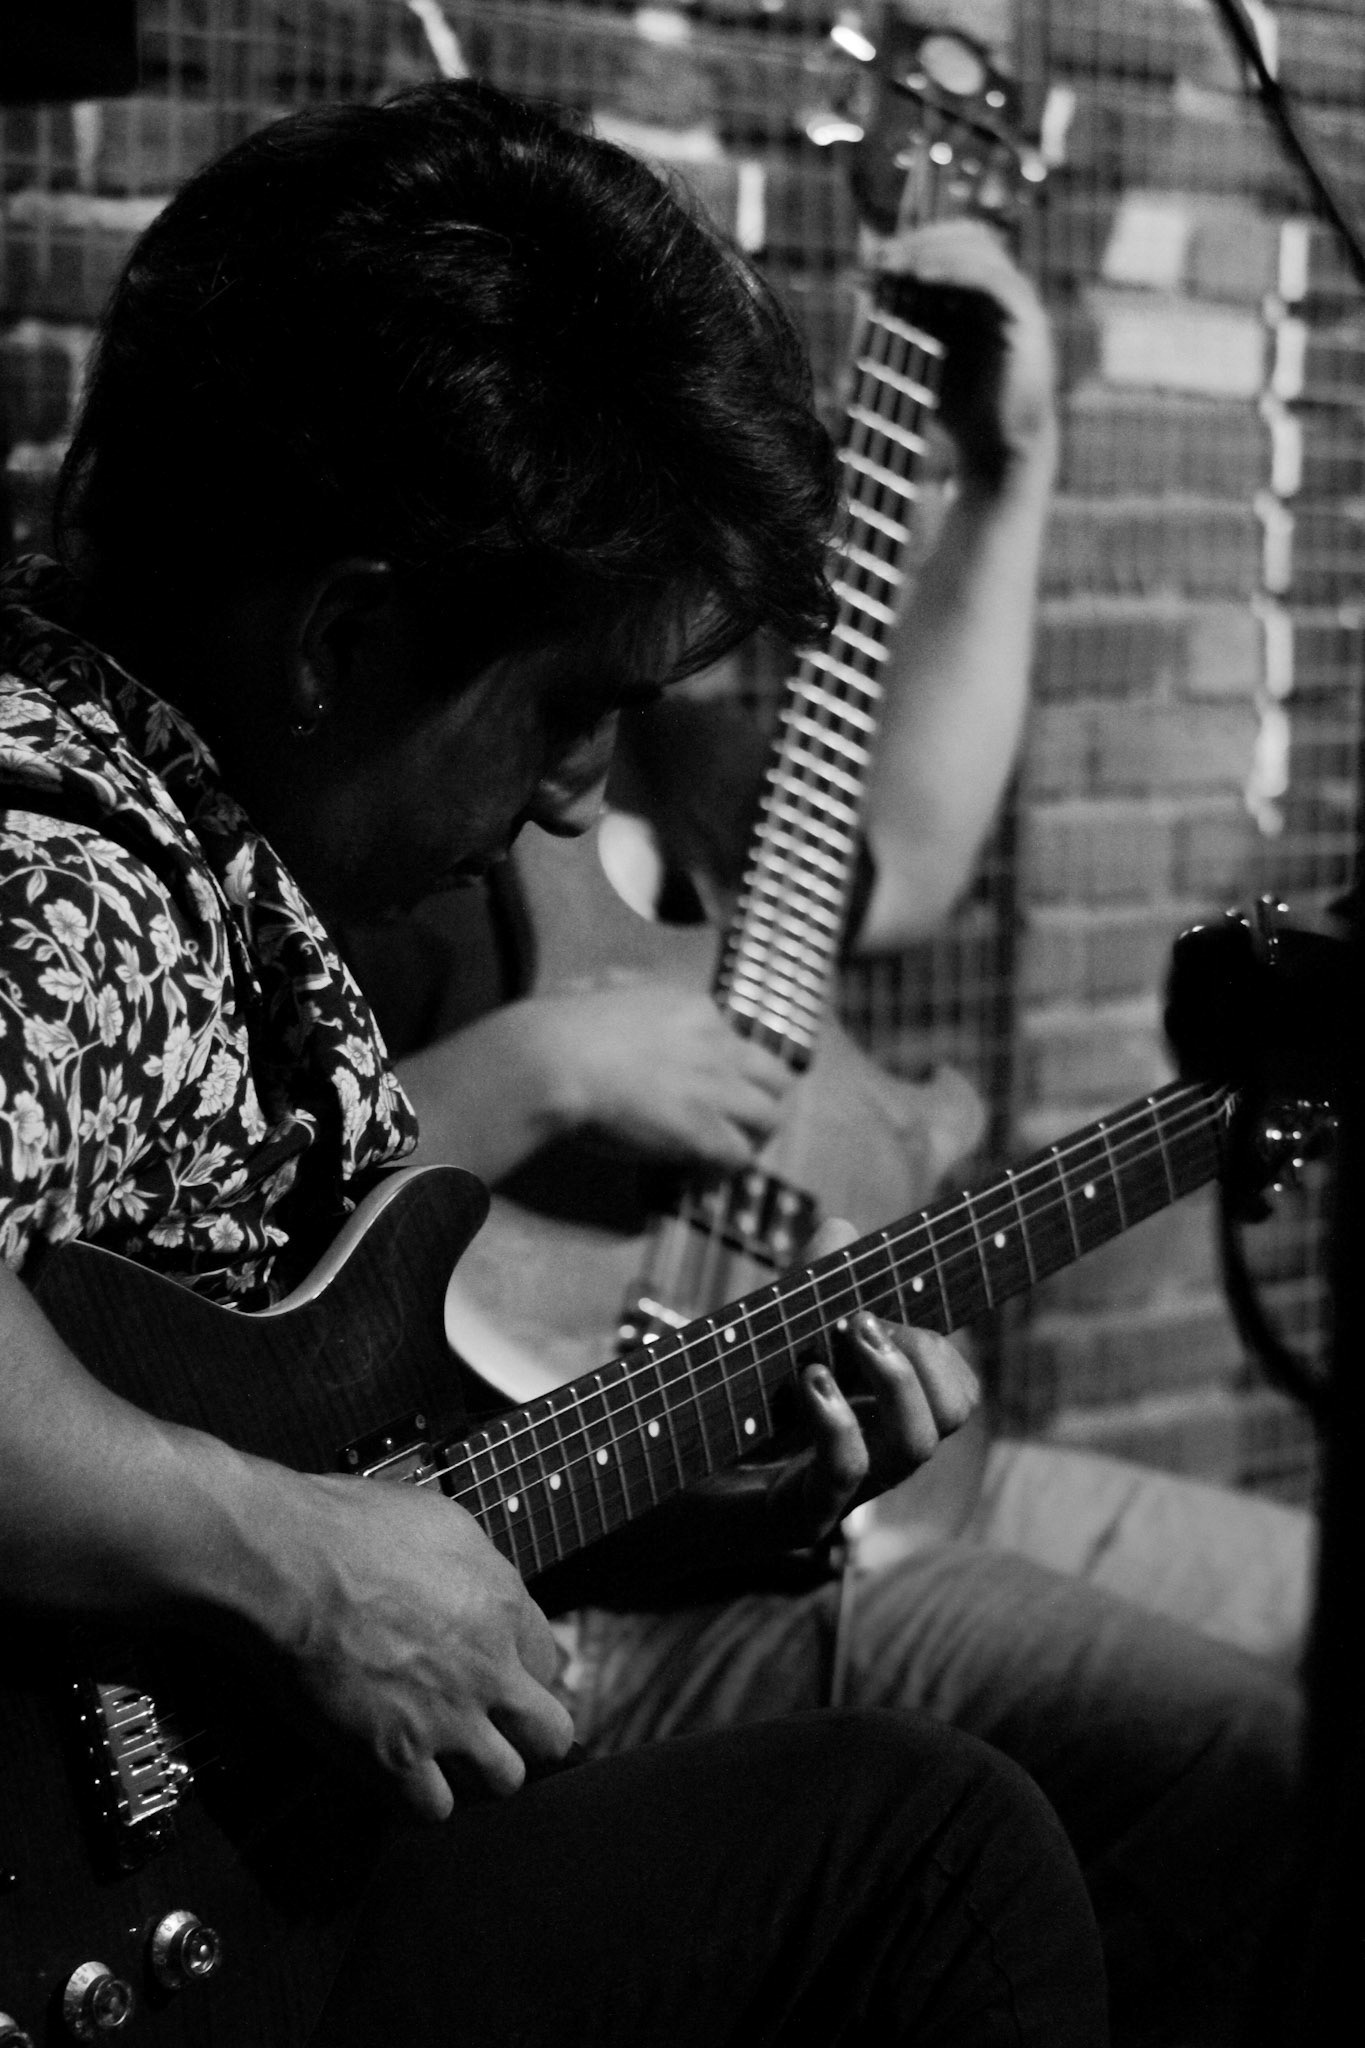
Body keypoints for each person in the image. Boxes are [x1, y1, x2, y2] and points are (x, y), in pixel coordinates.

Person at [0, 79, 1110, 2048]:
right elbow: (311, 1540)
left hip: (227, 1869)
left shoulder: (210, 852)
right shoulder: (63, 878)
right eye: (567, 705)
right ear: (344, 637)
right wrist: (305, 1577)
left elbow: (323, 1460)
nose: (579, 791)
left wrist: (704, 1501)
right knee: (931, 1855)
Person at [340, 196, 1306, 2048]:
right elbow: (278, 1226)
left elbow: (913, 853)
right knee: (1230, 1756)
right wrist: (554, 1061)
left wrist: (1010, 466)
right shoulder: (426, 812)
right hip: (597, 1549)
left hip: (888, 1471)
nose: (590, 761)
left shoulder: (693, 767)